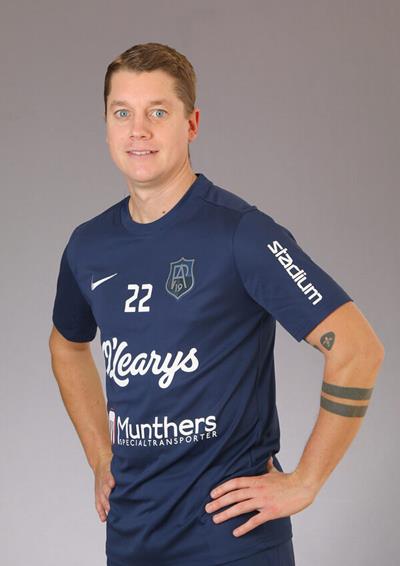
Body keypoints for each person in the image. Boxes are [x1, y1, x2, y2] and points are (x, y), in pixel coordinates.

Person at [49, 42, 385, 566]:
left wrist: (306, 481)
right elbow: (67, 345)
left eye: (158, 112)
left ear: (192, 123)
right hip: (132, 536)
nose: (138, 130)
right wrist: (99, 455)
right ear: (107, 125)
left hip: (231, 539)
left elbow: (358, 349)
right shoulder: (89, 246)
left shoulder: (241, 234)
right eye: (122, 113)